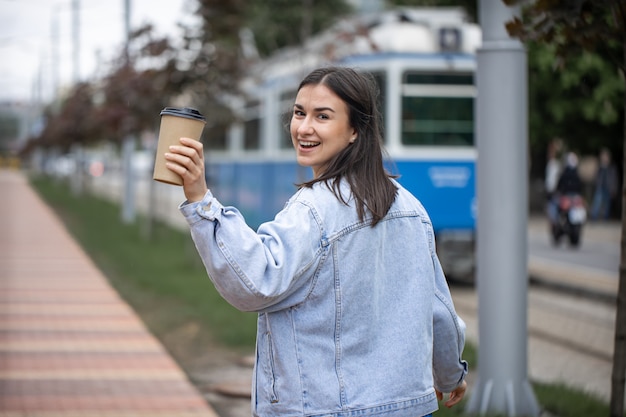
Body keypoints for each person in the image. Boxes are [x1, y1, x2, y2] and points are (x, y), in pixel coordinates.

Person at [164, 66, 468, 417]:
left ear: (355, 130)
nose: (304, 128)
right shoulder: (410, 207)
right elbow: (439, 308)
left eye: (322, 116)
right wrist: (449, 375)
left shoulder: (314, 209)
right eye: (299, 113)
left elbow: (254, 282)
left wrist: (201, 201)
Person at [590, 148, 619, 220]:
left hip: (608, 188)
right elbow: (596, 177)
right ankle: (594, 217)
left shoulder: (612, 167)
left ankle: (605, 218)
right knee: (597, 203)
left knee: (607, 205)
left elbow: (614, 179)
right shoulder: (600, 167)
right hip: (600, 187)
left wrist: (614, 189)